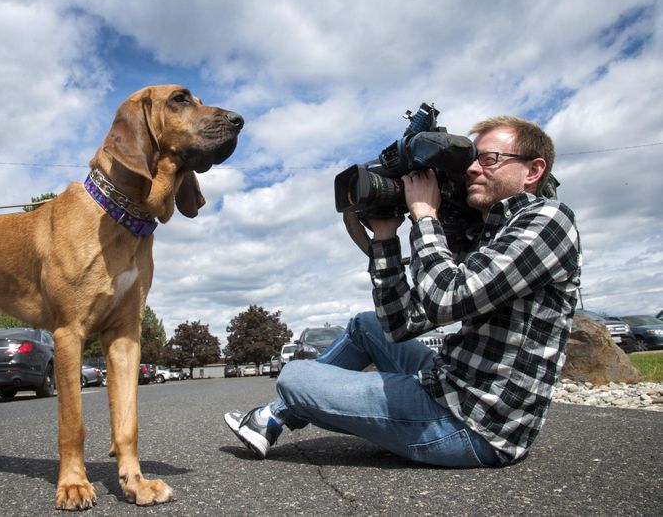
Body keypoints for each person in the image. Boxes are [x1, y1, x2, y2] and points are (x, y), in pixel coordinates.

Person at [225, 116, 581, 467]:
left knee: (295, 377)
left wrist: (425, 214)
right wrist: (384, 236)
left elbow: (446, 299)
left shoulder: (549, 219)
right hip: (454, 387)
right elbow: (400, 325)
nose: (472, 169)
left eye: (489, 159)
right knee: (368, 326)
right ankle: (271, 419)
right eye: (472, 159)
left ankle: (273, 414)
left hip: (474, 425)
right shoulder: (487, 233)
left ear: (533, 171)